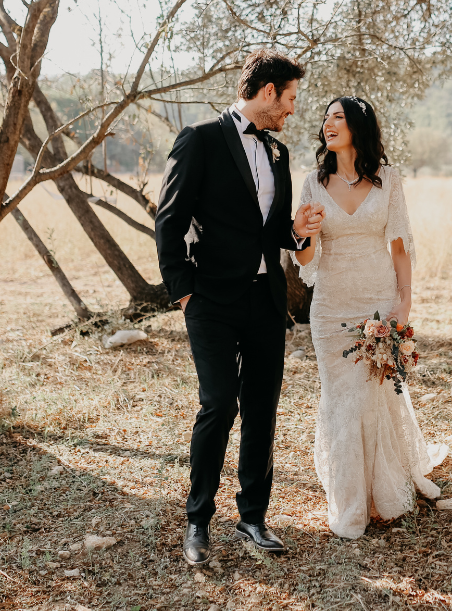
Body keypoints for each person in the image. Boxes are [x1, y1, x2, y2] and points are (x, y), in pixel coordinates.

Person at [155, 49, 326, 565]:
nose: (293, 110)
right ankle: (197, 521)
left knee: (261, 409)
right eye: (291, 99)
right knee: (219, 404)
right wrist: (184, 291)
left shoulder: (278, 154)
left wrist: (298, 234)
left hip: (265, 299)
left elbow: (272, 232)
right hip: (209, 299)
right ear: (269, 91)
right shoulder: (200, 139)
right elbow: (169, 219)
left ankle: (252, 516)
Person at [294, 96, 447, 539]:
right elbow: (307, 255)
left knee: (374, 397)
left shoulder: (388, 180)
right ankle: (349, 504)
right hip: (331, 307)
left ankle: (386, 488)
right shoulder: (313, 183)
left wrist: (404, 301)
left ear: (359, 126)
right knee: (342, 401)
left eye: (338, 117)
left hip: (377, 301)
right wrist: (302, 231)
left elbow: (399, 245)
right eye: (325, 118)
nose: (328, 124)